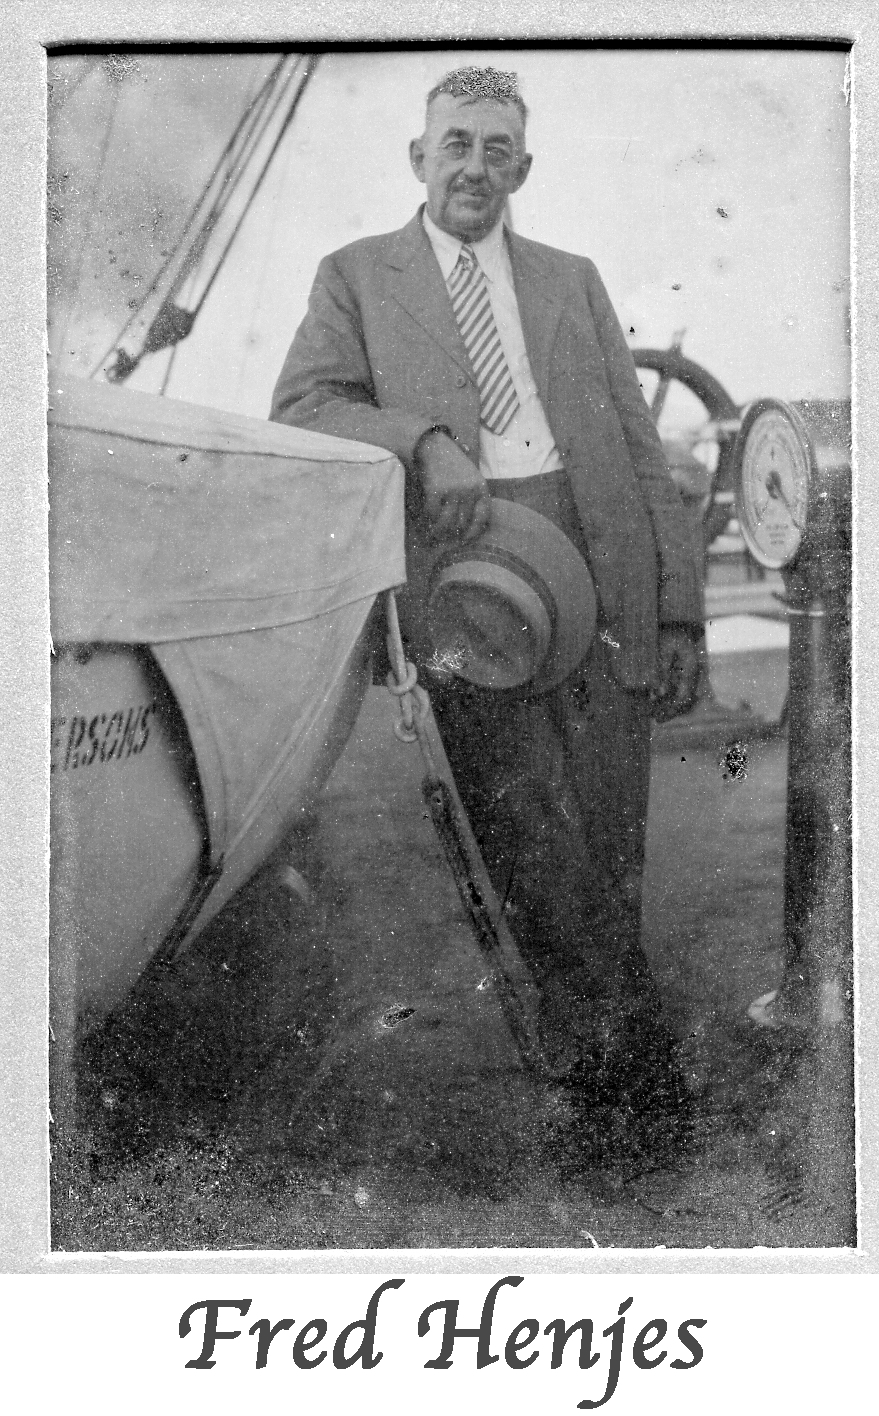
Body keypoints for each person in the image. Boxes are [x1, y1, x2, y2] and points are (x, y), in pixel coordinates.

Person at [271, 66, 703, 1162]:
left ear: (522, 167)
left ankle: (603, 1079)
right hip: (471, 581)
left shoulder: (573, 278)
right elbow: (308, 404)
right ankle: (640, 1079)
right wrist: (423, 441)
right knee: (526, 839)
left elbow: (644, 452)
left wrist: (682, 613)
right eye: (455, 141)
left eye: (496, 146)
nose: (474, 163)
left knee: (605, 846)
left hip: (599, 570)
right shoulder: (356, 277)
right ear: (420, 158)